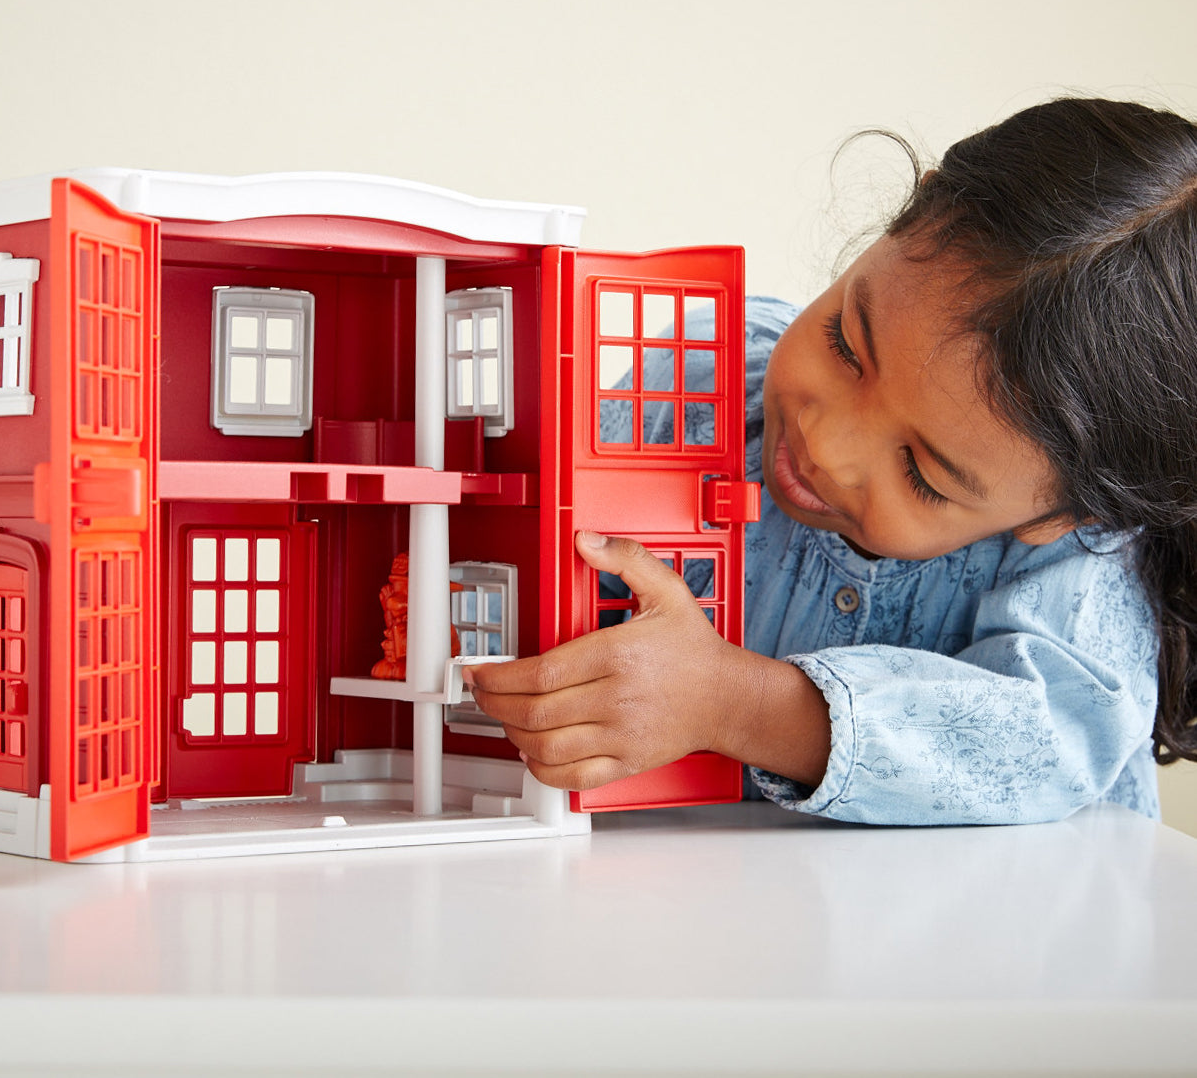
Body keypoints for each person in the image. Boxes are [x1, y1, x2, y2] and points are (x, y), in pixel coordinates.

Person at [465, 96, 1197, 825]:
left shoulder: (1081, 558)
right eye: (845, 344)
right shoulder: (696, 377)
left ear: (1071, 511)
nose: (825, 446)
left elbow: (1050, 742)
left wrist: (732, 703)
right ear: (906, 217)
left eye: (920, 473)